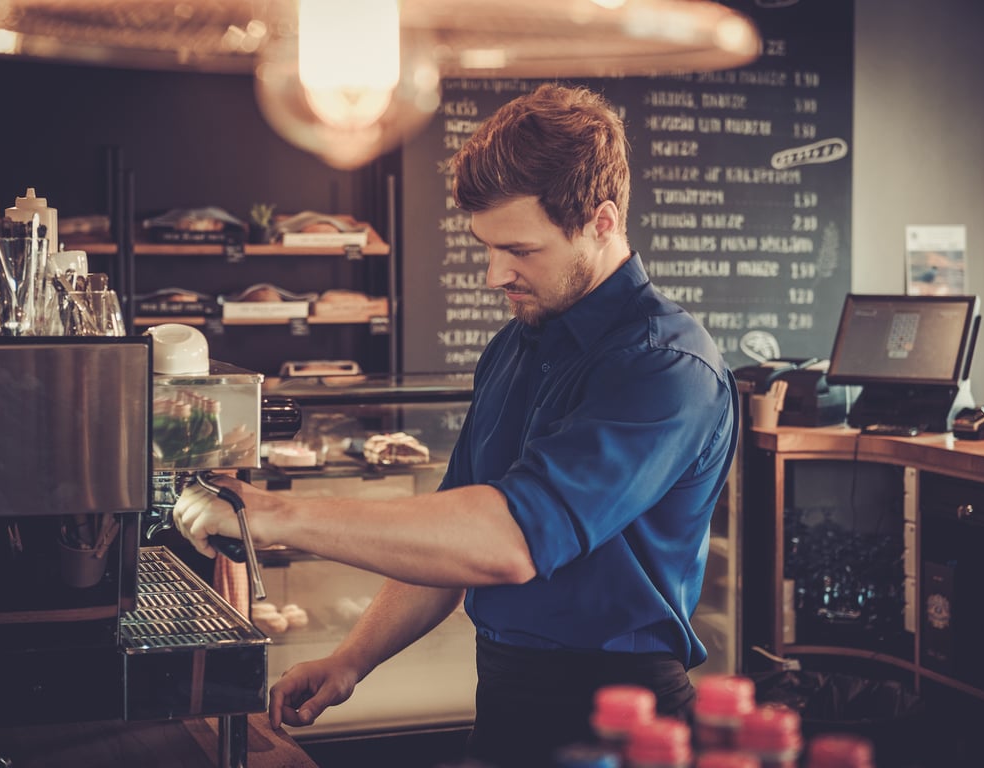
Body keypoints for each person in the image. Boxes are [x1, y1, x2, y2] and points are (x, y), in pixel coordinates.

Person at [172, 82, 739, 768]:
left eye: (521, 250)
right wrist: (353, 659)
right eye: (487, 247)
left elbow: (507, 541)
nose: (496, 273)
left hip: (622, 719)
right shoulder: (515, 344)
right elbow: (452, 543)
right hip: (503, 700)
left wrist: (273, 515)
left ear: (601, 221)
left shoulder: (664, 368)